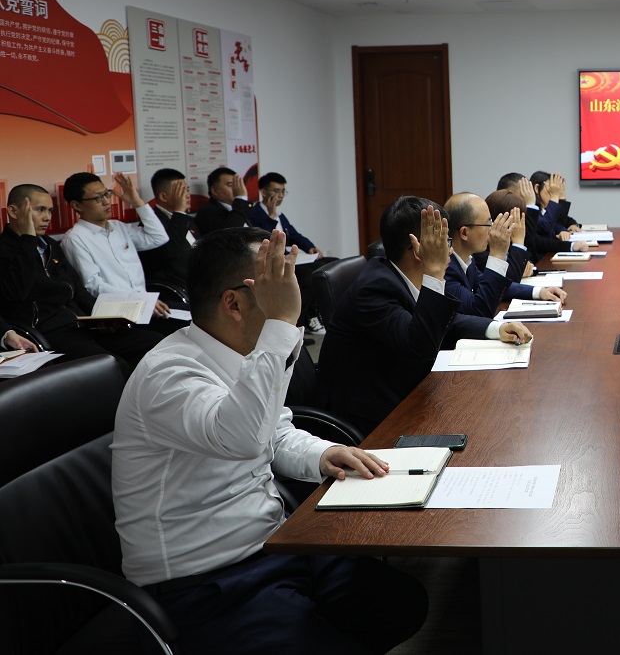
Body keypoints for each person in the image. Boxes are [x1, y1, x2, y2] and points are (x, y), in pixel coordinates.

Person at [112, 226, 427, 654]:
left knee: (402, 603)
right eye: (279, 283)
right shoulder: (169, 374)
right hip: (204, 581)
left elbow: (272, 431)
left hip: (274, 544)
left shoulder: (241, 353)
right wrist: (280, 325)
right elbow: (240, 438)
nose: (294, 296)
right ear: (235, 302)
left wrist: (324, 452)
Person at [317, 197, 533, 432]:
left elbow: (444, 323)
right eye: (444, 241)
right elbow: (421, 347)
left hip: (404, 394)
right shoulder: (376, 288)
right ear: (419, 248)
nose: (450, 249)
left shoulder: (397, 276)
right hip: (373, 420)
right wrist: (434, 271)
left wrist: (494, 329)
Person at [0, 184, 161, 371]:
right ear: (13, 211)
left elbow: (76, 289)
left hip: (79, 323)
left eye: (50, 211)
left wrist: (104, 319)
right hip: (48, 332)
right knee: (115, 366)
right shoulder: (5, 250)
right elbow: (18, 292)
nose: (47, 217)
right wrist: (28, 240)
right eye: (39, 210)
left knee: (155, 345)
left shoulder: (50, 245)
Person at [59, 171, 182, 335]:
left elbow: (159, 237)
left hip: (146, 307)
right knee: (171, 336)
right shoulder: (75, 239)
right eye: (98, 198)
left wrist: (137, 202)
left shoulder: (119, 227)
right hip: (119, 315)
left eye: (106, 194)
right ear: (77, 206)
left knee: (191, 323)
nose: (106, 202)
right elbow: (93, 286)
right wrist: (139, 300)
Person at [444, 192, 564, 318]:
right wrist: (497, 254)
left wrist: (538, 292)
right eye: (488, 224)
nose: (491, 230)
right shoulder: (446, 268)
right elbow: (480, 310)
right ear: (464, 233)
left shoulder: (467, 259)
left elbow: (497, 286)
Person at [249, 171, 338, 333]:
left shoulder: (280, 215)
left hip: (288, 256)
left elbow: (294, 235)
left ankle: (318, 313)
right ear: (263, 192)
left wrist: (310, 247)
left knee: (331, 264)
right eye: (276, 191)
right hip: (273, 262)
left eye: (283, 191)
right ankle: (301, 322)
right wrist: (270, 213)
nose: (281, 195)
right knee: (309, 275)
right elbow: (265, 238)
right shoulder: (255, 214)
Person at [497, 172, 588, 262]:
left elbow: (557, 224)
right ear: (510, 194)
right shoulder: (512, 214)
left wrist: (565, 228)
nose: (528, 195)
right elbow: (544, 229)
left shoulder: (531, 210)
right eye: (524, 192)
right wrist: (554, 196)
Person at [140, 167, 197, 292]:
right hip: (175, 289)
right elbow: (171, 253)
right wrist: (179, 212)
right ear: (163, 197)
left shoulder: (188, 220)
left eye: (187, 190)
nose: (187, 195)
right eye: (181, 191)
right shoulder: (150, 224)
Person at [195, 166, 252, 233]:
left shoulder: (243, 207)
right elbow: (229, 233)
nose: (236, 189)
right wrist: (241, 198)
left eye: (236, 185)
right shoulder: (207, 212)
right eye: (230, 185)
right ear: (215, 191)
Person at [530, 170, 580, 236]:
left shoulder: (544, 209)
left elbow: (563, 221)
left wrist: (573, 225)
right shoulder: (532, 211)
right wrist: (556, 196)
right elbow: (547, 227)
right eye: (551, 190)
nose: (554, 193)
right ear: (537, 188)